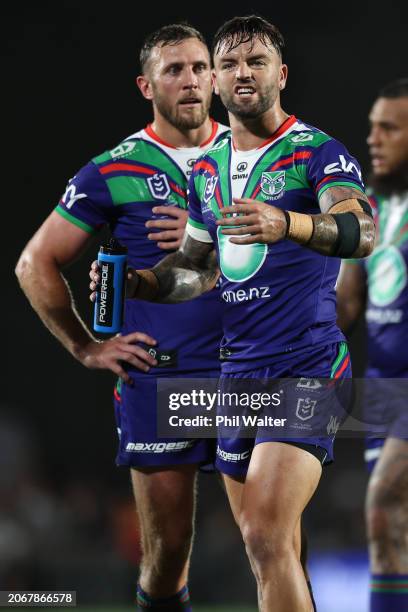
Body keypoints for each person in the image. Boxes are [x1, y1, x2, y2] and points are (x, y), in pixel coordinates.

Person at [95, 15, 376, 611]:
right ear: (217, 83)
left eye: (256, 61)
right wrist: (136, 284)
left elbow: (362, 231)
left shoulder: (313, 152)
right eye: (229, 64)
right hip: (236, 375)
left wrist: (289, 224)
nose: (242, 72)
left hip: (307, 364)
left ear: (282, 73)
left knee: (264, 534)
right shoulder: (206, 169)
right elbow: (196, 270)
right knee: (271, 552)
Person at [15, 23, 229, 611]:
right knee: (167, 552)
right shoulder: (112, 170)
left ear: (215, 76)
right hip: (160, 378)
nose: (190, 80)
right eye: (173, 70)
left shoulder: (253, 157)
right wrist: (87, 347)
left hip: (249, 370)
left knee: (272, 537)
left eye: (199, 67)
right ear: (146, 85)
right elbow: (35, 263)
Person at [336, 78, 408, 612]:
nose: (374, 138)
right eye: (372, 127)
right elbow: (346, 308)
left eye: (389, 127)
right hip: (382, 391)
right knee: (390, 535)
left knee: (383, 505)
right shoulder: (373, 210)